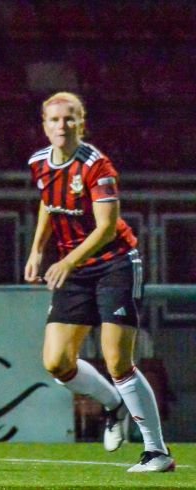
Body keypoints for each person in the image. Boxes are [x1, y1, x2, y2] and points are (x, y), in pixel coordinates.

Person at [24, 92, 174, 473]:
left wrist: (67, 261)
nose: (62, 126)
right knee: (56, 361)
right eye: (55, 120)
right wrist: (37, 250)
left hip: (114, 264)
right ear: (44, 125)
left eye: (70, 119)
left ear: (81, 123)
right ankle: (112, 404)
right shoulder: (39, 163)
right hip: (74, 269)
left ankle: (157, 452)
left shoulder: (97, 166)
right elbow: (48, 202)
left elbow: (107, 228)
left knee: (117, 360)